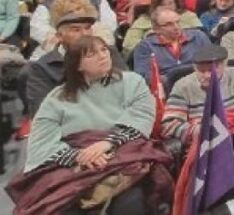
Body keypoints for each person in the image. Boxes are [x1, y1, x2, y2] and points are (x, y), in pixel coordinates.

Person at [14, 35, 172, 215]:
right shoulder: (56, 98)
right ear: (78, 65)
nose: (102, 56)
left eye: (104, 50)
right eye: (91, 54)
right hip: (74, 161)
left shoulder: (132, 82)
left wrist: (107, 143)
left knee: (130, 204)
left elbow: (141, 115)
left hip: (123, 152)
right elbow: (42, 140)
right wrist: (80, 156)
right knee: (58, 206)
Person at [23, 0, 127, 118]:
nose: (84, 34)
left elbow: (128, 93)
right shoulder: (42, 68)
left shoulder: (109, 53)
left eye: (87, 28)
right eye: (76, 29)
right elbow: (43, 114)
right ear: (59, 36)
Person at [161, 45, 234, 142]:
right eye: (201, 71)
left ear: (224, 65)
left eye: (212, 70)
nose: (207, 75)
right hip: (204, 141)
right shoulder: (182, 86)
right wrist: (202, 131)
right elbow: (169, 124)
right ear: (195, 69)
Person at [133, 7, 212, 83]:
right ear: (156, 29)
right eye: (169, 24)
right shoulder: (145, 46)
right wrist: (168, 79)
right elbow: (144, 76)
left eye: (177, 22)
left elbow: (213, 63)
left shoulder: (198, 36)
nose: (176, 27)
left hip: (200, 82)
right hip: (166, 87)